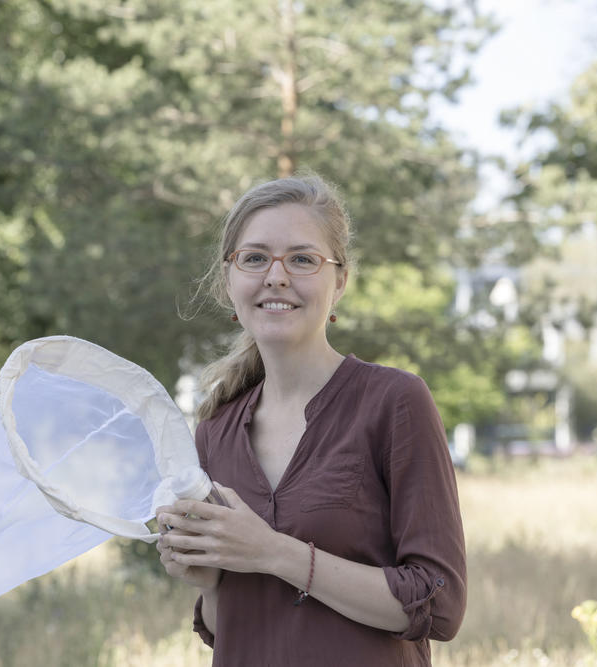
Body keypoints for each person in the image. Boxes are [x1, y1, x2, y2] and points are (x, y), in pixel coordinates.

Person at [155, 174, 466, 666]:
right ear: (229, 280)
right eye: (255, 258)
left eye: (302, 259)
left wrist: (272, 552)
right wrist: (209, 583)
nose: (276, 276)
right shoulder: (214, 428)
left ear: (339, 281)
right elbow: (224, 625)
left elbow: (440, 603)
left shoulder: (396, 401)